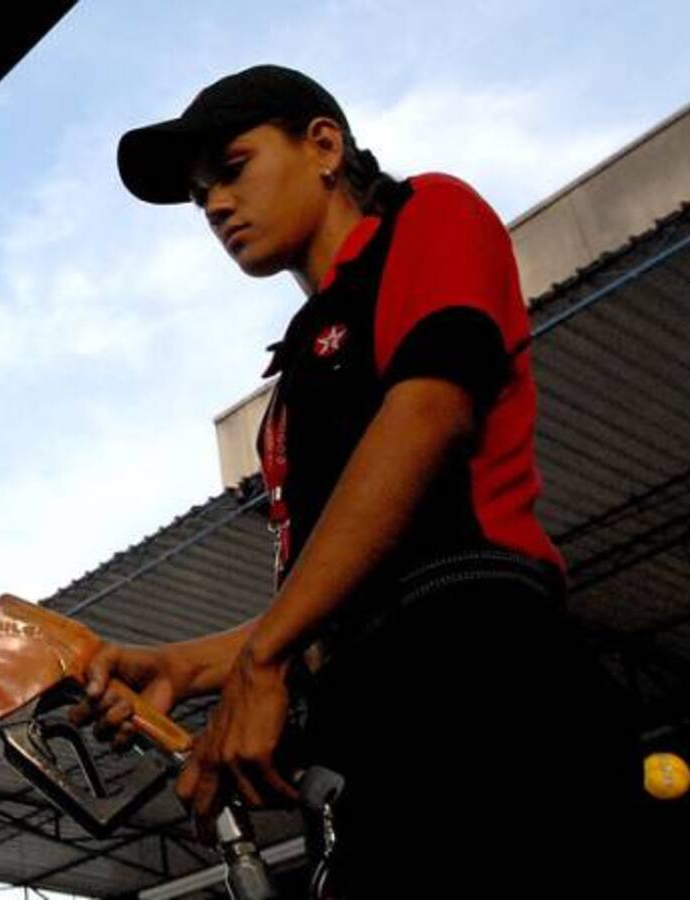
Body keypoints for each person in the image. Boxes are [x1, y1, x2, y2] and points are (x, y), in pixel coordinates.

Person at [70, 66, 640, 897]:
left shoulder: (430, 214)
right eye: (200, 200)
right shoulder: (295, 375)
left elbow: (429, 414)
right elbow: (338, 591)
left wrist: (262, 664)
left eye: (231, 169)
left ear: (324, 145)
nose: (216, 207)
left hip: (484, 675)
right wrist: (185, 668)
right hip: (375, 716)